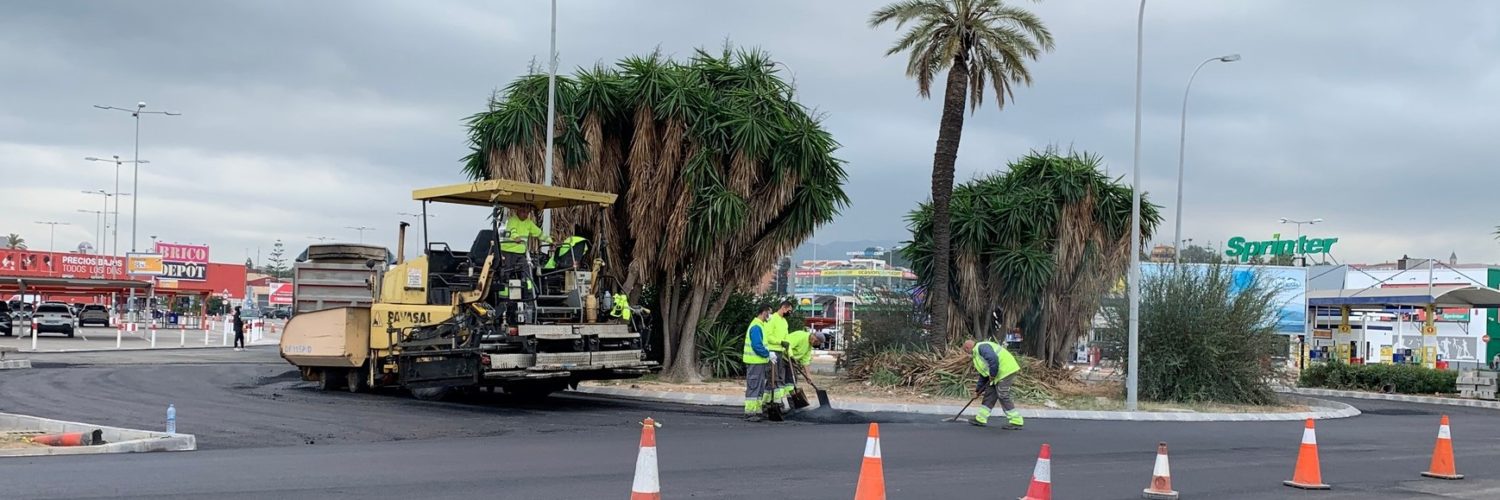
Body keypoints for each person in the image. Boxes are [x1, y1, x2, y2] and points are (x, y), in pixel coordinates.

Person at [962, 338, 1022, 429]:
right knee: (989, 393)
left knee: (1002, 395)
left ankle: (1016, 421)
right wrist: (977, 391)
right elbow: (984, 375)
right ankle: (981, 419)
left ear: (967, 348)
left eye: (966, 351)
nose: (967, 354)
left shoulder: (981, 347)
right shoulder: (977, 355)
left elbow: (993, 360)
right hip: (998, 374)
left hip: (1006, 371)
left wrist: (993, 375)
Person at [742, 305, 775, 422]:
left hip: (759, 363)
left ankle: (757, 410)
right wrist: (768, 354)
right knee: (754, 386)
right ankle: (750, 413)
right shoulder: (756, 327)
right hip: (755, 362)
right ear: (763, 312)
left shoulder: (760, 326)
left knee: (759, 387)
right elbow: (757, 346)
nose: (770, 316)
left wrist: (768, 354)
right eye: (769, 313)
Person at [766, 300, 795, 402]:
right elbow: (768, 336)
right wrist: (780, 342)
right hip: (771, 352)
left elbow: (787, 339)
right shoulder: (772, 319)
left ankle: (775, 401)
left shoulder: (784, 322)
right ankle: (772, 402)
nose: (790, 313)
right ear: (783, 308)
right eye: (789, 310)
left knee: (779, 378)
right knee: (773, 378)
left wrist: (790, 355)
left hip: (780, 353)